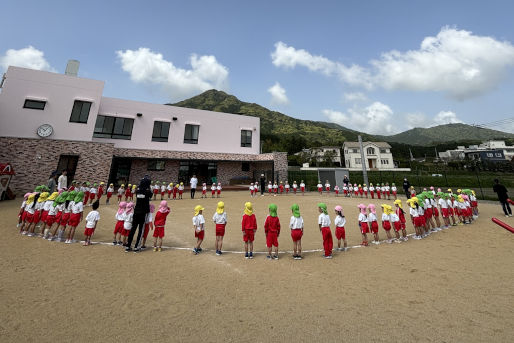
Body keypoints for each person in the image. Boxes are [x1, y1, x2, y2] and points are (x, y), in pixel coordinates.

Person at [126, 176, 152, 253]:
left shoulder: (138, 190)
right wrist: (148, 188)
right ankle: (137, 246)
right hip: (143, 212)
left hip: (136, 211)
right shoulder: (147, 191)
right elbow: (151, 194)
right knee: (141, 229)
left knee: (133, 228)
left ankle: (128, 245)